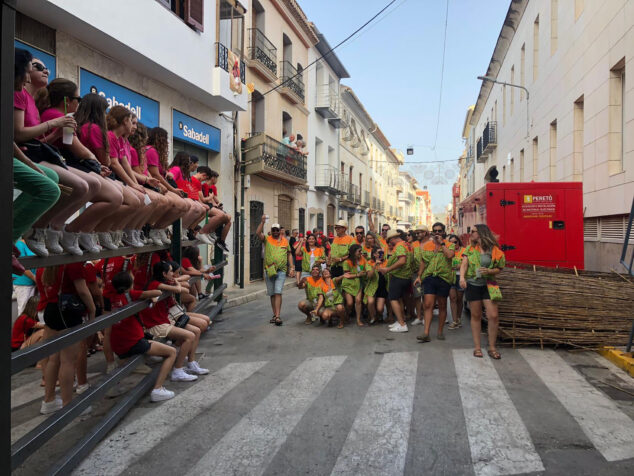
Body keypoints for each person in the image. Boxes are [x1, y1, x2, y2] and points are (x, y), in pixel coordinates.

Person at [40, 78, 126, 253]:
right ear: (67, 100)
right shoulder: (65, 119)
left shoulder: (59, 117)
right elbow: (81, 151)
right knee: (110, 194)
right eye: (77, 99)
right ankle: (64, 229)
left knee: (121, 196)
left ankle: (74, 231)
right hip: (59, 163)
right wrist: (97, 164)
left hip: (67, 163)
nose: (79, 103)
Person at [108, 271, 177, 402]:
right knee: (171, 352)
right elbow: (157, 292)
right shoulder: (131, 294)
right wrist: (150, 297)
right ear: (129, 284)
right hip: (133, 342)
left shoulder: (113, 297)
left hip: (118, 343)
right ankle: (158, 389)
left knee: (154, 347)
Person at [37, 263, 96, 414]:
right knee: (68, 361)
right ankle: (68, 404)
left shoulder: (46, 265)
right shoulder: (72, 264)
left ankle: (48, 401)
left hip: (50, 310)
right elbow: (83, 291)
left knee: (53, 358)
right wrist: (93, 309)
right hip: (67, 311)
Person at [142, 261, 209, 380]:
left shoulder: (165, 281)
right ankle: (177, 370)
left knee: (196, 331)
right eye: (171, 271)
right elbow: (179, 290)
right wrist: (177, 282)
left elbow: (186, 290)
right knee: (190, 336)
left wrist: (175, 281)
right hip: (156, 324)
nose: (173, 274)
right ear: (164, 273)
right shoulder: (156, 284)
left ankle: (191, 363)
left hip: (165, 320)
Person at [459, 224, 505, 359]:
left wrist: (490, 271)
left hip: (489, 285)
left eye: (472, 231)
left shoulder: (494, 249)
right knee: (476, 316)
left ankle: (492, 347)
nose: (470, 233)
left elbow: (499, 267)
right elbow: (464, 264)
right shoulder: (470, 249)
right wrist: (462, 278)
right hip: (473, 284)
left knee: (493, 315)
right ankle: (477, 347)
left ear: (480, 233)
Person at [415, 222, 455, 343]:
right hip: (429, 277)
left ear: (443, 232)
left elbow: (449, 255)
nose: (437, 233)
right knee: (428, 305)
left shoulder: (449, 244)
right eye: (435, 231)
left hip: (444, 278)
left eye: (439, 231)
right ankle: (426, 332)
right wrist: (419, 276)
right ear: (432, 232)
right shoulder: (427, 245)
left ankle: (440, 331)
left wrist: (442, 243)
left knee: (442, 305)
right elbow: (423, 261)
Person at [255, 216, 295, 326]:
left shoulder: (285, 242)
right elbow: (258, 233)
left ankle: (278, 316)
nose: (275, 232)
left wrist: (292, 267)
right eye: (274, 230)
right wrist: (262, 222)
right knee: (272, 294)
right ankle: (275, 314)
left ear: (280, 231)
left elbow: (289, 254)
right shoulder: (267, 239)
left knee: (278, 292)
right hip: (269, 270)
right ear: (271, 231)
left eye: (277, 230)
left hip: (281, 271)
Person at [378, 230, 412, 333]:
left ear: (393, 238)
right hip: (406, 276)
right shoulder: (407, 245)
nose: (389, 243)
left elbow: (402, 261)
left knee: (393, 299)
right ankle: (400, 321)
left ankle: (402, 324)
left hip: (399, 276)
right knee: (399, 300)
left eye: (389, 241)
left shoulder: (399, 246)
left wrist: (388, 269)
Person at [195, 168, 231, 252]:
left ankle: (221, 241)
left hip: (210, 205)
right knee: (222, 215)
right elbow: (207, 199)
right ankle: (206, 232)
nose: (217, 180)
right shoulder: (204, 186)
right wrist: (213, 201)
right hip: (206, 205)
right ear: (213, 178)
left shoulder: (212, 187)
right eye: (216, 178)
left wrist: (217, 204)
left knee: (228, 219)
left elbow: (215, 200)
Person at [342, 244, 367, 327]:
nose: (361, 253)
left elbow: (367, 268)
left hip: (359, 283)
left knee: (358, 300)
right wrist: (357, 275)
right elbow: (347, 275)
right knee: (349, 303)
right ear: (353, 252)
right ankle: (346, 315)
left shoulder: (363, 259)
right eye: (359, 251)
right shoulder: (346, 262)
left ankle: (358, 319)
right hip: (348, 284)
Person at [410, 224, 429, 327]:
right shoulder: (414, 244)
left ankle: (426, 317)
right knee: (417, 296)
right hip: (415, 273)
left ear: (425, 233)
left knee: (427, 296)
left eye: (419, 233)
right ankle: (418, 317)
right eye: (416, 233)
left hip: (427, 273)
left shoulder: (431, 244)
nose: (416, 234)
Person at [12, 238, 37, 315]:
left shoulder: (33, 244)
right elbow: (20, 266)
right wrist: (34, 278)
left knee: (33, 311)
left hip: (34, 282)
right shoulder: (19, 244)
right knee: (24, 310)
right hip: (23, 283)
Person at [364, 246, 388, 325]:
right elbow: (369, 276)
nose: (381, 254)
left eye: (382, 252)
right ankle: (372, 317)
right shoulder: (369, 262)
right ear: (374, 254)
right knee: (370, 302)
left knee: (380, 309)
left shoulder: (386, 262)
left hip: (382, 287)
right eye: (379, 253)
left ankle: (379, 315)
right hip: (372, 286)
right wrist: (375, 265)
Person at [448, 234, 466, 330]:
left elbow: (467, 262)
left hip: (460, 277)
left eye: (455, 242)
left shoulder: (464, 250)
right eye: (451, 242)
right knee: (452, 298)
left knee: (459, 299)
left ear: (458, 242)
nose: (454, 244)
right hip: (450, 277)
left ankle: (458, 319)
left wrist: (460, 266)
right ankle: (454, 321)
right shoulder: (448, 251)